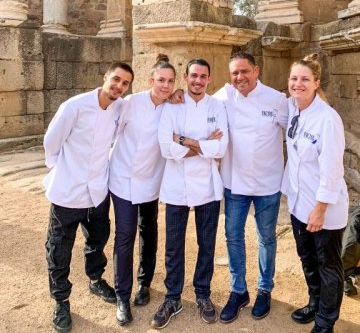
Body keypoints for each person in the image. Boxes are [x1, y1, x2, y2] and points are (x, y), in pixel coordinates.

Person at [170, 52, 289, 323]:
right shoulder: (223, 98)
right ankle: (239, 291)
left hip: (268, 183)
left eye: (245, 71)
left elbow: (296, 127)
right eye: (234, 73)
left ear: (256, 70)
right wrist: (174, 93)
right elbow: (194, 99)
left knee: (266, 238)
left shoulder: (276, 100)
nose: (240, 77)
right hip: (234, 182)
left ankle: (264, 289)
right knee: (233, 237)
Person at [43, 62, 134, 333]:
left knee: (98, 239)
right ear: (105, 77)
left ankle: (95, 280)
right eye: (115, 79)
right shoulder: (74, 106)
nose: (119, 86)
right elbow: (52, 141)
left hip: (98, 190)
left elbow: (149, 103)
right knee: (59, 248)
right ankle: (61, 300)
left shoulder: (120, 107)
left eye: (125, 83)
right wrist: (65, 169)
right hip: (68, 192)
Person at [151, 58, 228, 329]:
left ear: (209, 79)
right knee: (174, 246)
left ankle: (203, 294)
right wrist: (204, 146)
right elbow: (165, 148)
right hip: (175, 188)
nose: (198, 81)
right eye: (193, 76)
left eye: (203, 77)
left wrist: (183, 140)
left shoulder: (217, 107)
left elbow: (221, 148)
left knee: (206, 245)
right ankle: (173, 297)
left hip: (207, 187)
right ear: (186, 76)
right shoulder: (172, 107)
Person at [281, 53, 349, 333]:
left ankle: (325, 322)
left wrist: (320, 209)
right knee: (307, 258)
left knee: (328, 265)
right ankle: (315, 302)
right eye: (294, 78)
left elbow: (331, 169)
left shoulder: (327, 119)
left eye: (305, 79)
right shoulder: (294, 108)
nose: (298, 83)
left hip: (323, 208)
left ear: (316, 83)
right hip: (299, 204)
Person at [108, 54, 176, 325]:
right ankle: (122, 297)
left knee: (149, 230)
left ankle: (143, 283)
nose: (165, 86)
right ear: (150, 81)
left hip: (152, 181)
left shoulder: (174, 107)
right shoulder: (130, 103)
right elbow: (110, 133)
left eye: (171, 82)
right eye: (161, 80)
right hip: (123, 179)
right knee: (125, 235)